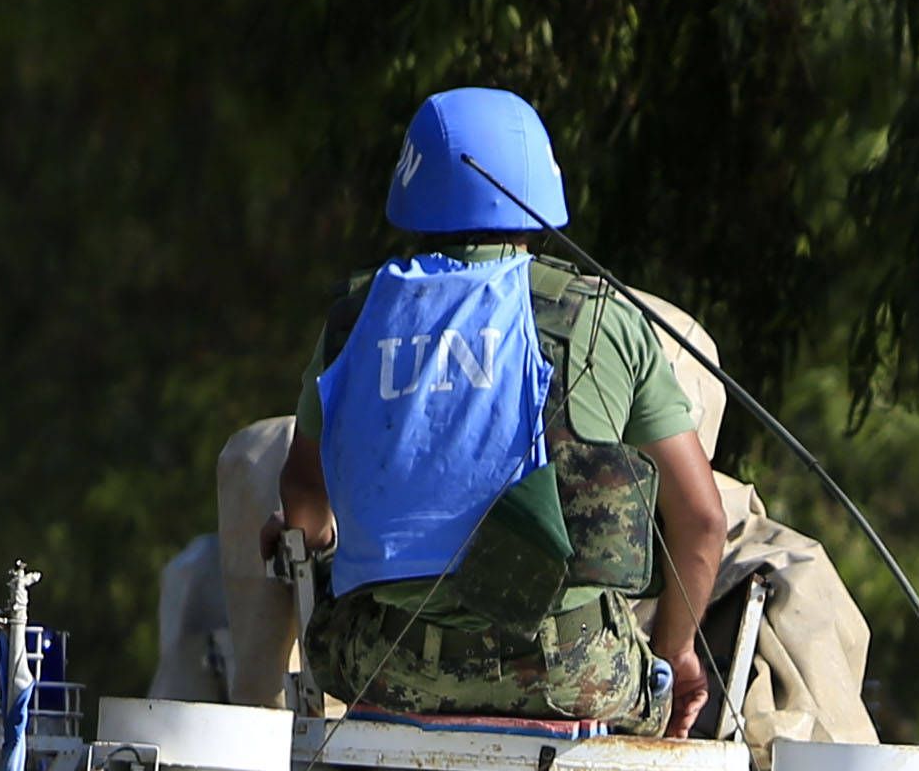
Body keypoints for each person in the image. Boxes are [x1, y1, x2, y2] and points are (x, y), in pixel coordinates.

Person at [271, 85, 733, 733]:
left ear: (412, 190)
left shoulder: (352, 319)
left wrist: (308, 533)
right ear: (541, 195)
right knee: (645, 671)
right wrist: (675, 651)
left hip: (388, 669)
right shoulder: (604, 316)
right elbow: (703, 520)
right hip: (572, 675)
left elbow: (304, 496)